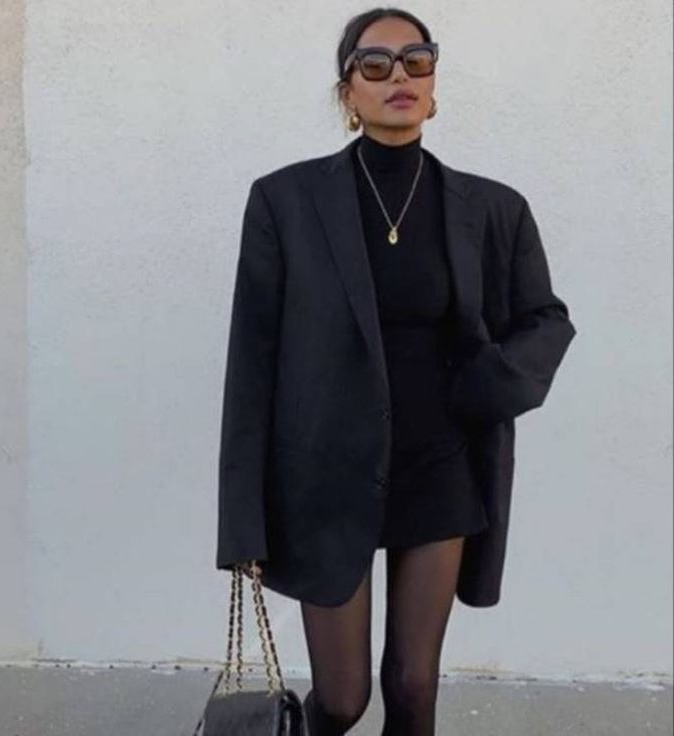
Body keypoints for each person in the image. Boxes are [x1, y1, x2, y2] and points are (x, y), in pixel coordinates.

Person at [217, 7, 576, 735]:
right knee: (343, 699)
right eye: (375, 65)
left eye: (417, 59)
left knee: (413, 688)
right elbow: (251, 365)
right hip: (323, 473)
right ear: (348, 92)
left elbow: (546, 320)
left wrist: (483, 387)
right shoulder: (285, 202)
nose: (399, 76)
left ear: (435, 80)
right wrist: (241, 524)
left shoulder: (492, 209)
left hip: (438, 468)